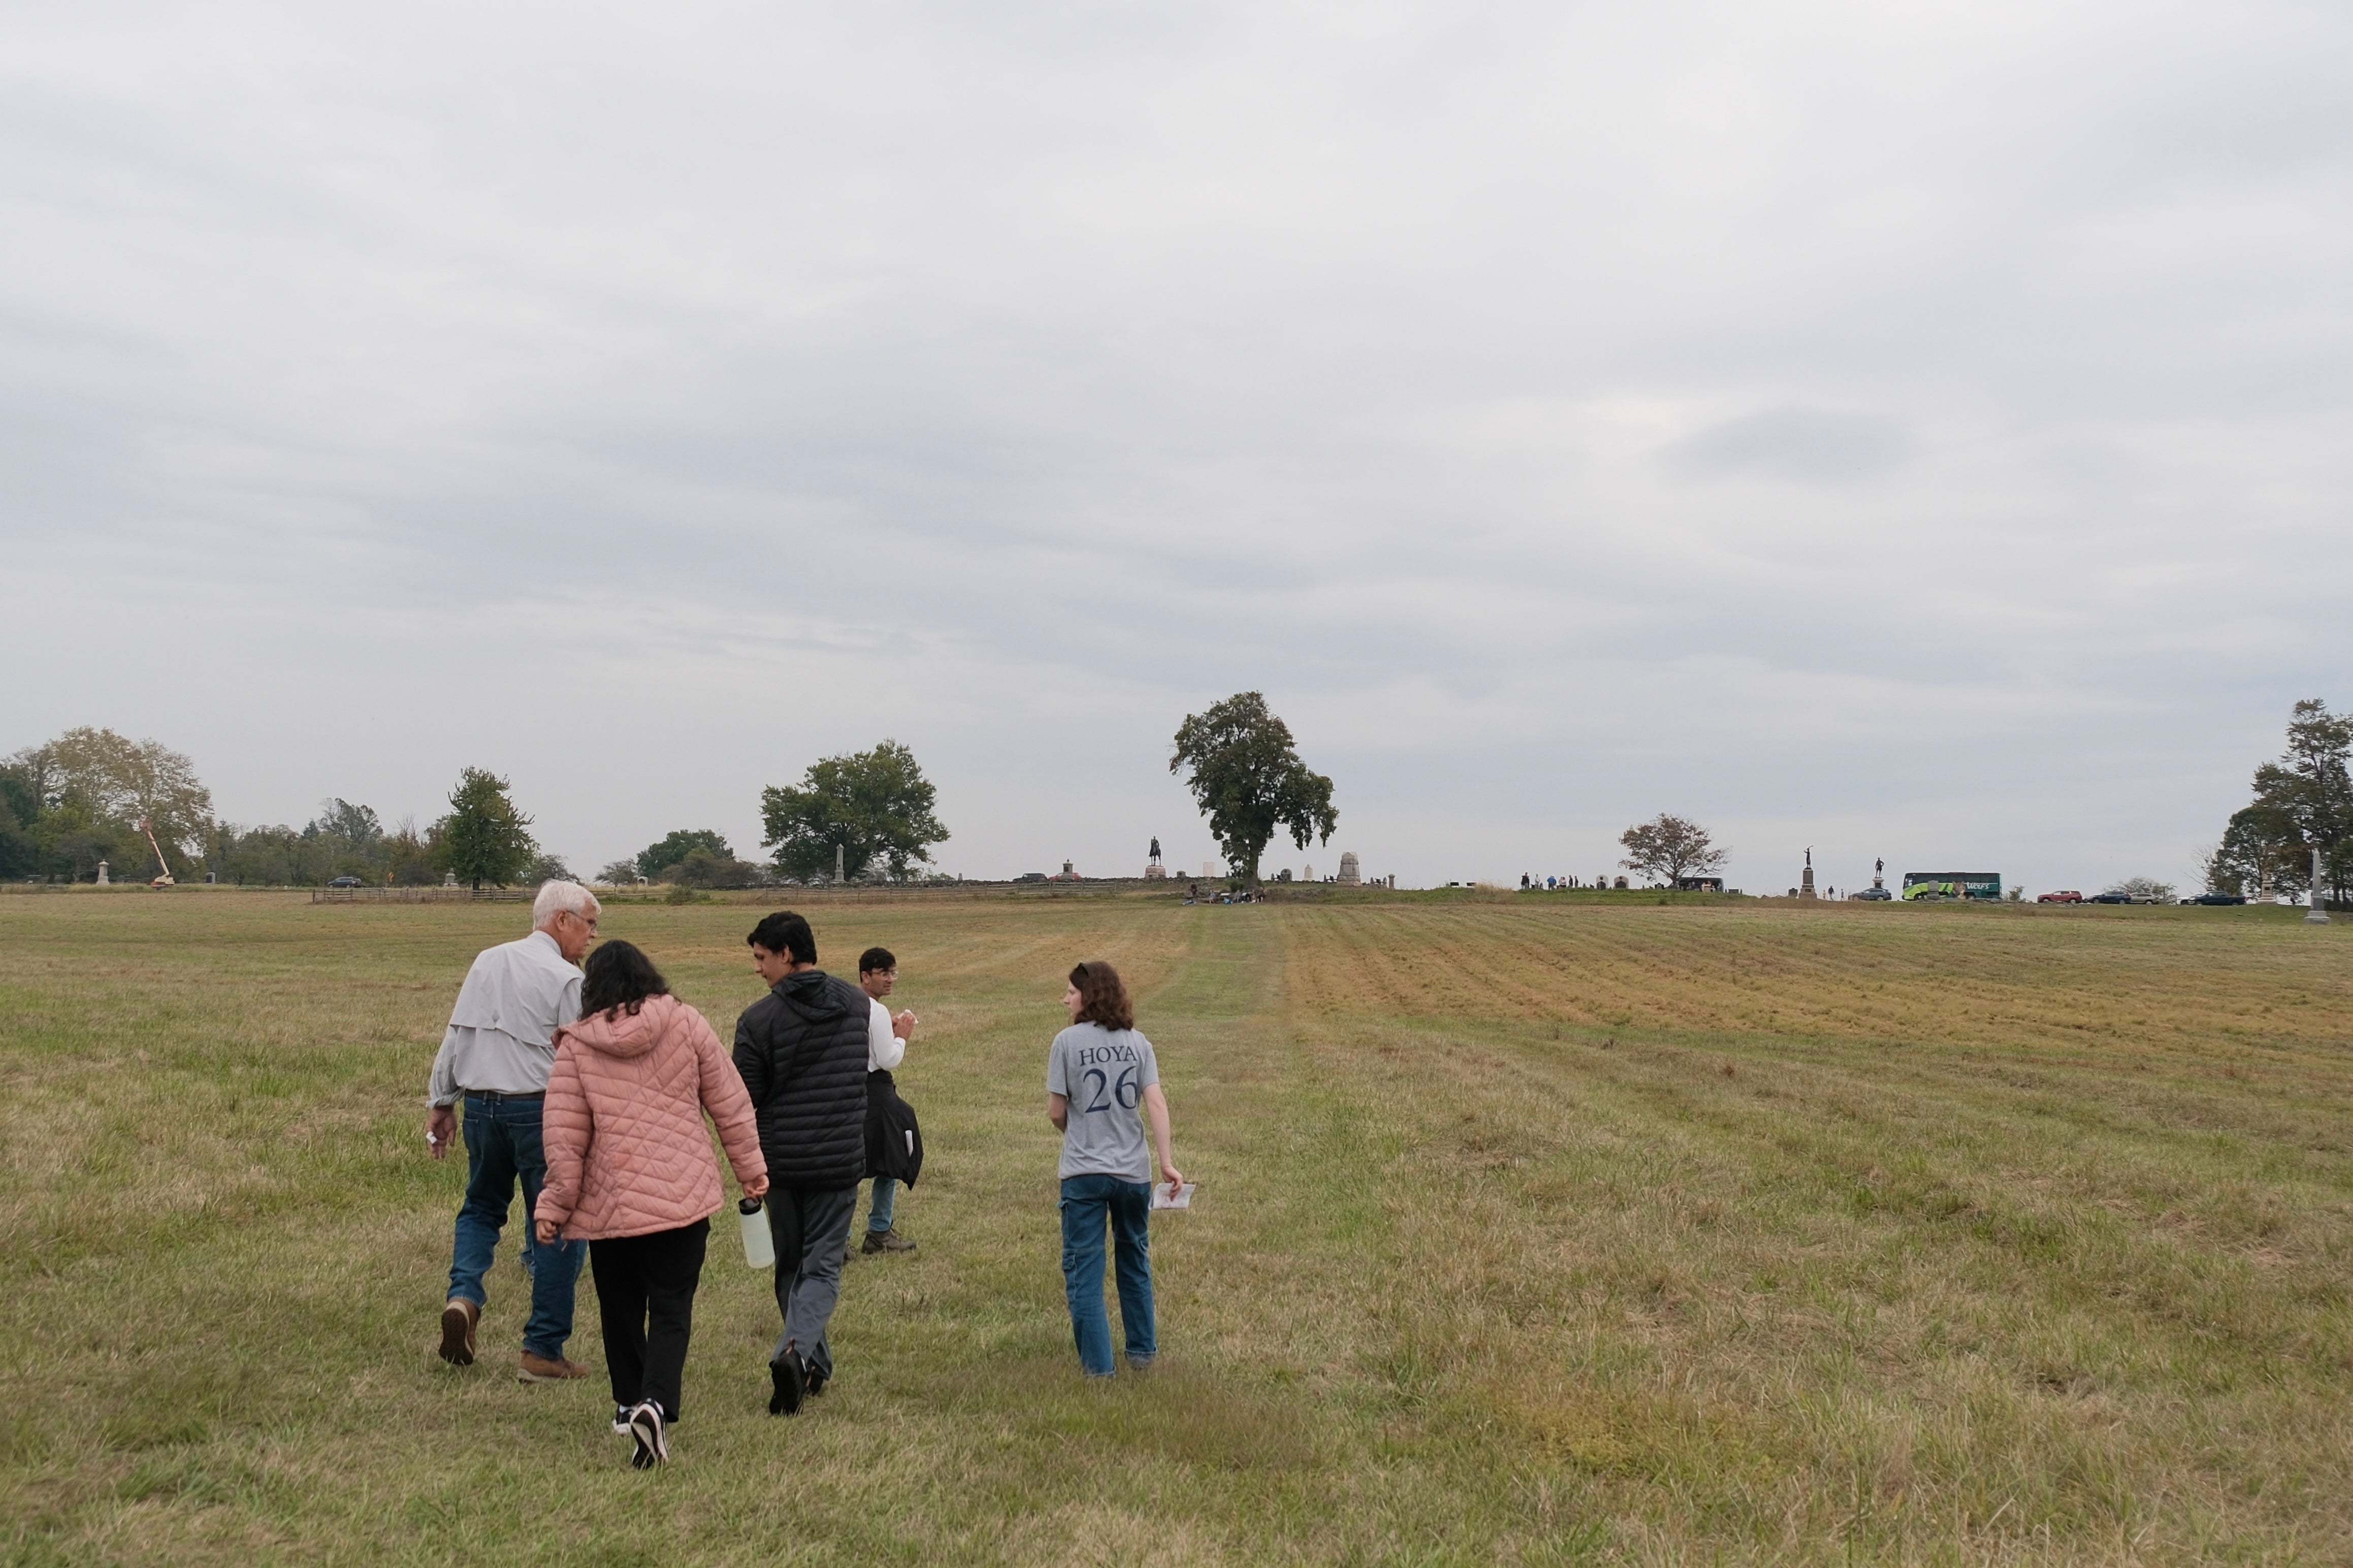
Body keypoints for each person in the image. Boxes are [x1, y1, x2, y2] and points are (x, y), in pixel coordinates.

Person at [534, 940, 768, 1468]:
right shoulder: (687, 1022)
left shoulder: (576, 1045)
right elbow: (730, 1104)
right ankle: (656, 1402)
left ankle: (626, 1401)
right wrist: (751, 1171)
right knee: (671, 1307)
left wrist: (553, 1205)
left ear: (591, 987)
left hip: (610, 1202)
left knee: (619, 1307)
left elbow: (565, 1139)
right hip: (683, 1197)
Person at [425, 880, 597, 1381]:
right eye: (588, 923)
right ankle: (542, 1349)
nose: (591, 935)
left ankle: (464, 1298)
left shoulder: (488, 960)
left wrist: (442, 1101)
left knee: (480, 1207)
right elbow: (580, 1056)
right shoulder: (567, 979)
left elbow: (458, 1034)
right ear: (561, 920)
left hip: (480, 1106)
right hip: (541, 1110)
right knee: (559, 1221)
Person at [732, 911, 871, 1415]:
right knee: (822, 1266)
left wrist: (745, 1163)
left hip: (782, 1164)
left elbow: (743, 1099)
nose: (758, 968)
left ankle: (796, 1354)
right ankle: (806, 1361)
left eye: (762, 957)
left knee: (791, 1267)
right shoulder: (858, 1005)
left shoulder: (757, 1020)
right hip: (838, 1159)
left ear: (787, 954)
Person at [1046, 961, 1182, 1378]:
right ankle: (1141, 1352)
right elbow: (1156, 1104)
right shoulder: (1139, 1042)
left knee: (1085, 1269)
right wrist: (1166, 1162)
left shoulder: (1065, 1042)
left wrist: (1077, 1132)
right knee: (1134, 1259)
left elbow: (1056, 1111)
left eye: (1070, 992)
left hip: (1084, 1173)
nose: (1065, 999)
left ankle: (1099, 1370)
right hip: (1133, 1175)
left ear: (1087, 996)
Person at [855, 946, 921, 1255]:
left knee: (850, 1166)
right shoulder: (876, 1010)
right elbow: (888, 1059)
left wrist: (888, 1031)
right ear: (865, 976)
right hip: (877, 1094)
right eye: (884, 973)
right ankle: (879, 1232)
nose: (890, 979)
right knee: (890, 1160)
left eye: (893, 972)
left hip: (850, 1091)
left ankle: (837, 1240)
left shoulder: (851, 1004)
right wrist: (902, 1036)